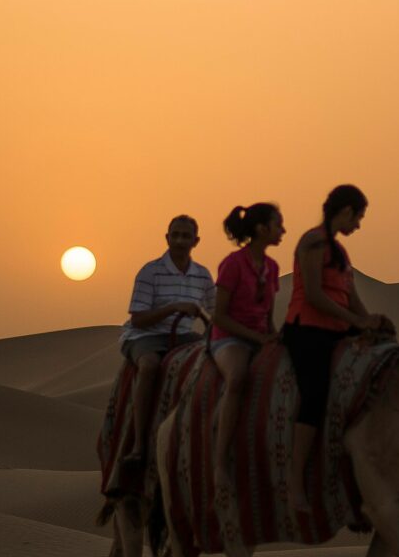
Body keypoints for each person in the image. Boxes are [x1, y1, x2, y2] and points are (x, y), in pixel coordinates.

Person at [283, 184, 392, 511]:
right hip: (307, 330)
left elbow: (352, 297)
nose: (358, 224)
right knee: (315, 396)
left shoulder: (340, 252)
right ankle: (294, 482)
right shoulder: (313, 242)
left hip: (337, 330)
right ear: (345, 212)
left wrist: (370, 320)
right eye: (358, 217)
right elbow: (315, 295)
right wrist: (354, 321)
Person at [116, 215, 215, 473]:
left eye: (186, 236)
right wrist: (173, 308)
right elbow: (137, 319)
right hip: (145, 337)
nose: (180, 241)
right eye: (176, 235)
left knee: (217, 359)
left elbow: (215, 313)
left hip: (183, 336)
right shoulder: (150, 271)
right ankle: (138, 444)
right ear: (167, 238)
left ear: (196, 241)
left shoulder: (202, 276)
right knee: (149, 366)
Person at [211, 203, 284, 478]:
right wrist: (258, 337)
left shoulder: (272, 267)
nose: (283, 230)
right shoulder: (232, 264)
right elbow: (219, 316)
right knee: (238, 378)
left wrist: (274, 337)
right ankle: (220, 461)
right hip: (229, 339)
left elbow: (268, 315)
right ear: (261, 229)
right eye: (278, 224)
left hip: (261, 338)